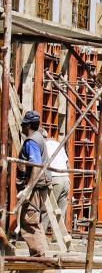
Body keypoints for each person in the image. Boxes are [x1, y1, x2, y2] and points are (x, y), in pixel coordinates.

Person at [16, 110, 51, 256]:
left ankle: (38, 257)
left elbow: (35, 165)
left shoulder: (32, 141)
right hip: (41, 185)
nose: (23, 128)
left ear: (28, 125)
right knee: (35, 221)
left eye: (24, 125)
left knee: (29, 222)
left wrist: (28, 188)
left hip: (35, 187)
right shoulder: (39, 138)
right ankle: (39, 255)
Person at [42, 135, 70, 234]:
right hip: (66, 179)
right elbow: (68, 165)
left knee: (46, 210)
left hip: (54, 178)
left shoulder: (43, 145)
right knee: (60, 212)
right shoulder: (59, 144)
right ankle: (58, 239)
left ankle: (40, 237)